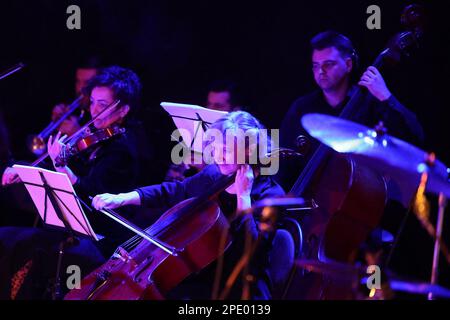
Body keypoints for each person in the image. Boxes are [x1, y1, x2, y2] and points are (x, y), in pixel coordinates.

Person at [91, 111, 285, 300]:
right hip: (200, 276)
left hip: (238, 287)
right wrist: (123, 198)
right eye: (215, 148)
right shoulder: (215, 175)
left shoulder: (272, 196)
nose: (218, 156)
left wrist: (244, 196)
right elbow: (175, 191)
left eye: (225, 150)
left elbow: (251, 251)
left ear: (249, 150)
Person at [0, 66, 144, 299]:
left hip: (102, 240)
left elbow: (90, 196)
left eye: (103, 105)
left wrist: (61, 166)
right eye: (93, 102)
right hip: (74, 231)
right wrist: (22, 169)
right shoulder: (96, 140)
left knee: (21, 247)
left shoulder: (123, 150)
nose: (94, 110)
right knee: (9, 240)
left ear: (124, 110)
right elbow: (56, 176)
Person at [277, 30, 424, 191]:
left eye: (328, 64)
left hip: (362, 199)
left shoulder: (371, 103)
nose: (321, 71)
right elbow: (282, 159)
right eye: (316, 66)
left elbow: (416, 136)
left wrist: (385, 96)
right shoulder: (302, 108)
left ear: (348, 64)